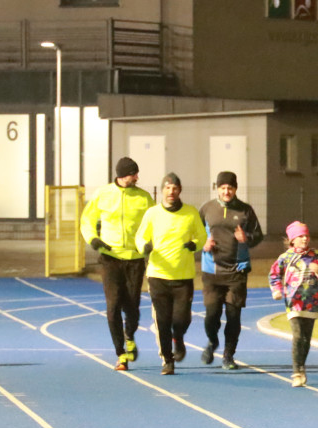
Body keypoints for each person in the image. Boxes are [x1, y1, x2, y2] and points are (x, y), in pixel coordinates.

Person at [81, 157, 155, 371]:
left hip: (134, 259)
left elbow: (153, 222)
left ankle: (130, 334)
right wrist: (93, 239)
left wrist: (149, 245)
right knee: (113, 306)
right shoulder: (103, 194)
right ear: (124, 174)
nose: (137, 178)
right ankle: (120, 354)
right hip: (110, 258)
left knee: (132, 306)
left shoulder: (144, 197)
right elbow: (87, 220)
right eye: (134, 174)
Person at [135, 173, 207, 375]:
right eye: (167, 188)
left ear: (179, 190)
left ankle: (179, 337)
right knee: (162, 320)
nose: (171, 191)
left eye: (175, 188)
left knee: (181, 319)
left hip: (183, 276)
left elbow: (202, 236)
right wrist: (144, 246)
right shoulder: (152, 213)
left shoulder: (190, 213)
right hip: (158, 275)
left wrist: (195, 244)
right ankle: (167, 359)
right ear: (162, 190)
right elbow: (140, 236)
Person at [198, 171, 264, 370]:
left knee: (233, 315)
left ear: (235, 189)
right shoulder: (207, 209)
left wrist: (247, 239)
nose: (226, 191)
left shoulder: (245, 210)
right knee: (211, 315)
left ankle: (228, 355)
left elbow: (259, 235)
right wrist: (203, 243)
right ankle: (212, 341)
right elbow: (195, 233)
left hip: (237, 271)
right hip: (212, 271)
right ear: (217, 188)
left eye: (230, 188)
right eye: (223, 187)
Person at [269, 221, 318, 387]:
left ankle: (302, 367)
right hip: (293, 302)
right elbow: (274, 274)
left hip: (311, 301)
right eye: (300, 236)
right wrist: (277, 290)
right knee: (297, 335)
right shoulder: (285, 258)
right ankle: (296, 372)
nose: (304, 239)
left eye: (306, 236)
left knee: (306, 338)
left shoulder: (317, 255)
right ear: (292, 239)